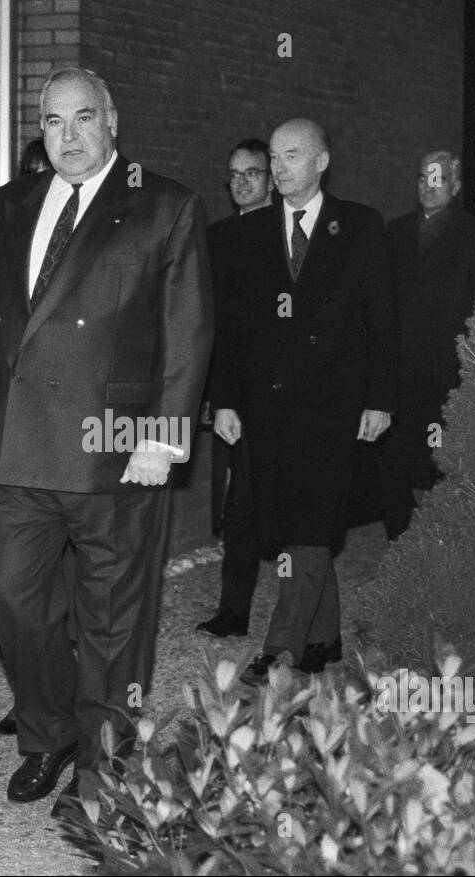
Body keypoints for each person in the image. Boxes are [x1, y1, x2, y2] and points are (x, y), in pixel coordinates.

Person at [0, 67, 212, 814]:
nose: (68, 136)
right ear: (39, 129)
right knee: (14, 601)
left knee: (113, 618)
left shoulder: (165, 205)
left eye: (83, 118)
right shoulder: (11, 203)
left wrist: (163, 439)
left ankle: (100, 770)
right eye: (52, 122)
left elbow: (189, 332)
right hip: (18, 449)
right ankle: (47, 736)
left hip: (116, 448)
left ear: (112, 120)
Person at [211, 118, 394, 687]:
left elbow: (382, 320)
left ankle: (280, 644)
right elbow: (232, 330)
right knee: (294, 523)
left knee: (311, 525)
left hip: (335, 405)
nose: (280, 167)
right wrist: (225, 402)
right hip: (269, 408)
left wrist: (380, 399)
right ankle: (325, 635)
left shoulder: (361, 225)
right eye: (275, 156)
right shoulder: (248, 235)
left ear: (321, 162)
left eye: (292, 155)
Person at [380, 150, 475, 540]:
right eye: (422, 179)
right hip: (400, 367)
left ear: (456, 186)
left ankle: (443, 537)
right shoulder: (395, 232)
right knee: (395, 458)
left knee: (445, 458)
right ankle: (400, 534)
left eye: (439, 180)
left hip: (448, 368)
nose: (428, 188)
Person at [0, 137, 58, 739]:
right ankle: (40, 705)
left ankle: (69, 717)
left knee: (88, 597)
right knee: (14, 591)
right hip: (15, 442)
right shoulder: (8, 216)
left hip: (87, 445)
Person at [196, 137, 273, 639]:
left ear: (269, 179)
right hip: (230, 391)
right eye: (234, 174)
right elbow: (207, 319)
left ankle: (304, 620)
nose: (241, 183)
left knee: (276, 504)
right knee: (235, 505)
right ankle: (235, 608)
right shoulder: (216, 236)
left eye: (252, 173)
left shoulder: (287, 234)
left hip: (277, 391)